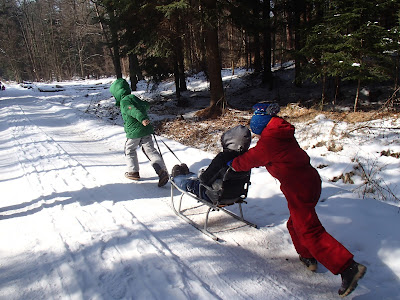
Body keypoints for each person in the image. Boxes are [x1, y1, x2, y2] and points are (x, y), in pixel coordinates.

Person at [229, 103, 367, 298]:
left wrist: (232, 163)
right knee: (295, 224)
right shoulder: (279, 131)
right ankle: (308, 256)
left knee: (309, 230)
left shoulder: (270, 141)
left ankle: (348, 267)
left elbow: (249, 160)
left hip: (299, 188)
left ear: (260, 122)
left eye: (255, 119)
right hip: (308, 182)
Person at [110, 78, 169, 187]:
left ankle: (133, 172)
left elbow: (132, 110)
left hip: (134, 132)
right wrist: (145, 106)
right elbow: (144, 105)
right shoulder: (133, 97)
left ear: (117, 93)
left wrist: (141, 118)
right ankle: (162, 171)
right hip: (146, 129)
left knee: (129, 150)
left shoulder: (124, 101)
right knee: (150, 150)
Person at [171, 125, 251, 203]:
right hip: (235, 195)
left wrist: (202, 175)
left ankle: (177, 177)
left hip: (212, 195)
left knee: (186, 182)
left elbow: (204, 179)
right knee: (201, 177)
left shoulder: (223, 158)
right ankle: (187, 174)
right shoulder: (247, 159)